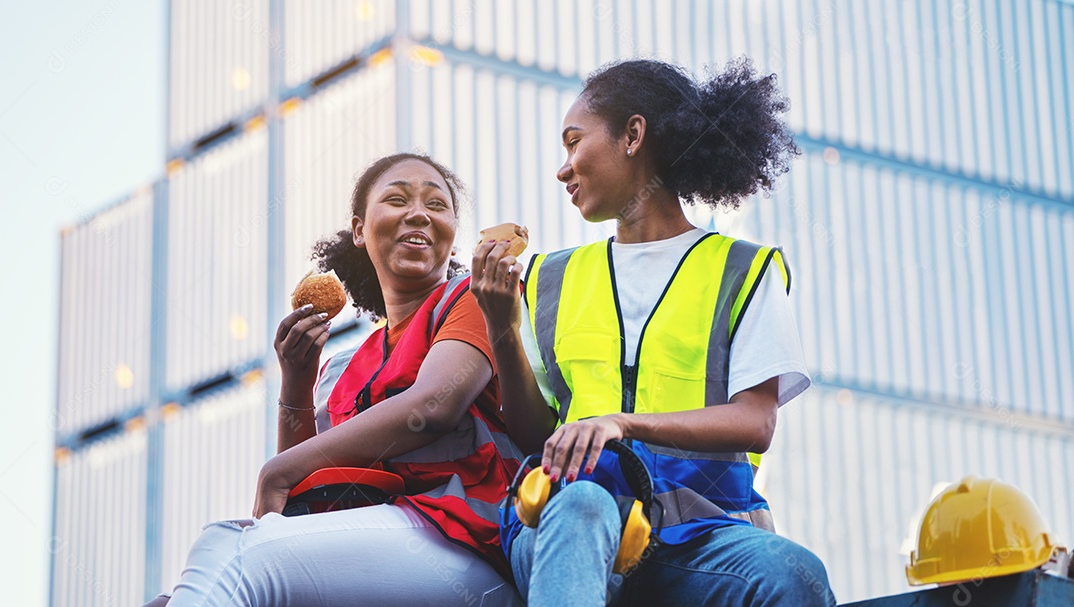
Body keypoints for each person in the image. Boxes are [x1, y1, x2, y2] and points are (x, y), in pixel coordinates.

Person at [471, 59, 836, 606]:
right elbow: (532, 433)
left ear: (633, 135)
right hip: (569, 524)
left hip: (703, 538)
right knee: (584, 505)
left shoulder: (746, 269)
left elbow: (756, 421)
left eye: (574, 143)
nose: (563, 169)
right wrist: (502, 329)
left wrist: (621, 424)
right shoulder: (549, 277)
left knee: (794, 573)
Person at [151, 153, 523, 606]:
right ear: (359, 229)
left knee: (231, 554)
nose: (420, 213)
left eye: (437, 205)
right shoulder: (343, 368)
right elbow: (307, 495)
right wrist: (297, 382)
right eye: (397, 198)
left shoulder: (473, 298)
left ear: (451, 233)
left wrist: (277, 470)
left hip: (471, 542)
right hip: (380, 550)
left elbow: (434, 406)